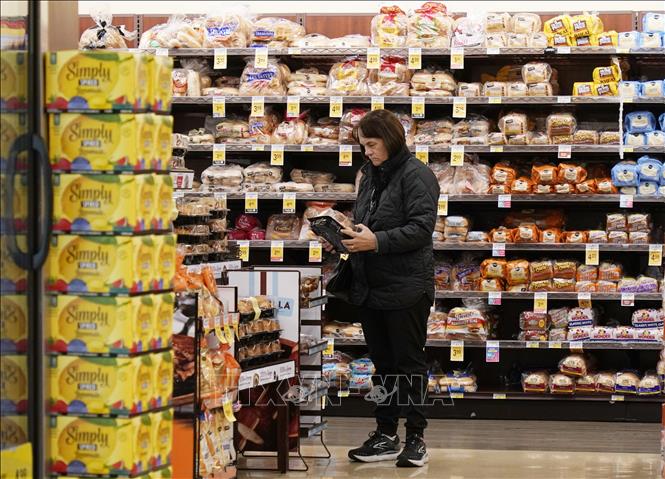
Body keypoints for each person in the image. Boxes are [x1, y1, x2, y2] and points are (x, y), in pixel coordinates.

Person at [323, 109, 439, 467]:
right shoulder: (370, 175)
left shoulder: (417, 175)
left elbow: (421, 229)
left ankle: (416, 438)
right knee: (383, 365)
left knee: (409, 364)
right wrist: (346, 235)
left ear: (390, 139)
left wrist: (376, 242)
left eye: (372, 144)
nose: (367, 152)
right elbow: (368, 222)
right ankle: (385, 434)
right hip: (371, 285)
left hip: (407, 287)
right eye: (363, 146)